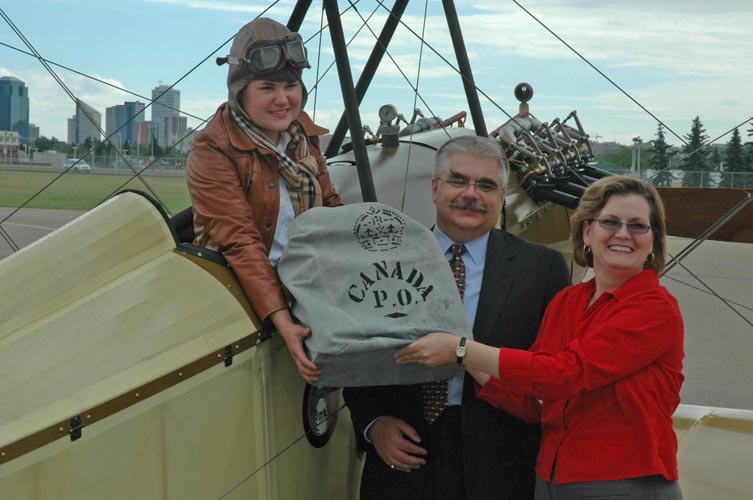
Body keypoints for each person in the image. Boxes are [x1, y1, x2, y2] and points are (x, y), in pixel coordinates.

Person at [397, 175, 684, 500]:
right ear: (587, 232)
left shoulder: (655, 308)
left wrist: (463, 349)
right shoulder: (567, 302)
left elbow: (564, 373)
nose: (622, 233)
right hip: (550, 478)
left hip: (624, 482)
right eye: (610, 222)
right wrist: (463, 354)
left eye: (637, 226)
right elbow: (535, 400)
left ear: (653, 241)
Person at [343, 135, 571, 500]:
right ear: (435, 188)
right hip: (403, 460)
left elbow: (555, 370)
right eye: (458, 180)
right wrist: (374, 425)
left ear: (501, 197)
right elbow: (356, 354)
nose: (471, 194)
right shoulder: (383, 263)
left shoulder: (542, 269)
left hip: (503, 462)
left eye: (485, 185)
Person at [187, 18, 342, 383]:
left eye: (291, 86)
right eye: (267, 87)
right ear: (241, 91)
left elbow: (332, 207)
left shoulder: (302, 135)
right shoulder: (212, 148)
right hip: (240, 293)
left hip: (306, 281)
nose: (282, 99)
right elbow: (240, 241)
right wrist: (283, 321)